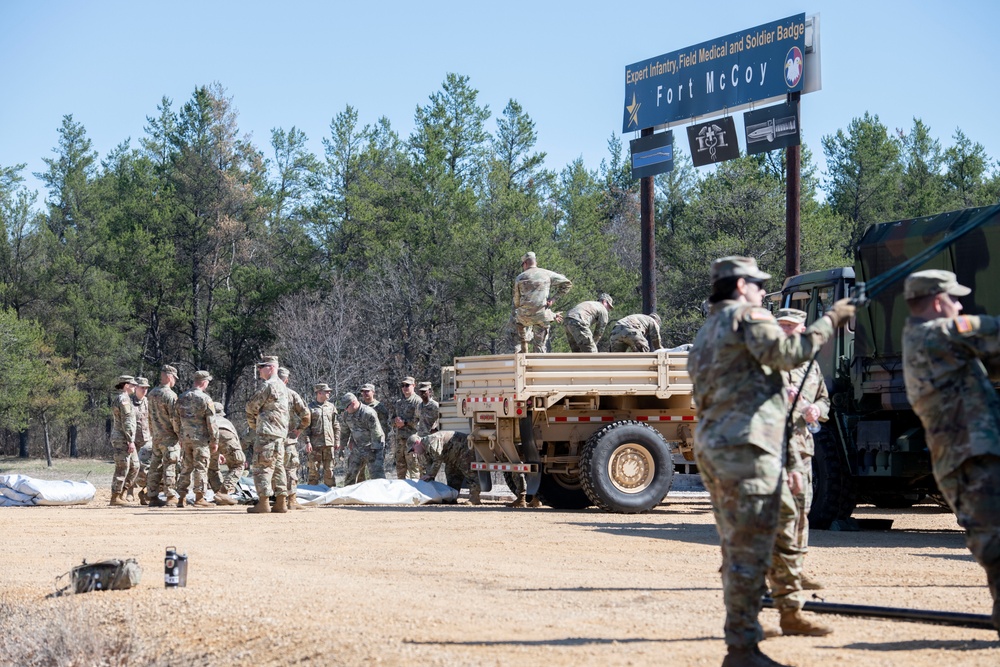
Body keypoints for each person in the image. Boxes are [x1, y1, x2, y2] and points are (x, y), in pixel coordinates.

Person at [687, 256, 854, 667]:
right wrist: (831, 318)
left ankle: (785, 612)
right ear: (740, 285)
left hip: (719, 446)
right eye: (758, 285)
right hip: (746, 449)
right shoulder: (747, 316)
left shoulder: (709, 329)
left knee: (762, 529)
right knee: (749, 548)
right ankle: (742, 648)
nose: (763, 292)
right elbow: (789, 352)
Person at [901, 269, 1000, 637]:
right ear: (939, 301)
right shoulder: (937, 335)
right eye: (955, 299)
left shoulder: (933, 341)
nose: (960, 305)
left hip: (972, 456)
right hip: (972, 459)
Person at [765, 308, 832, 636]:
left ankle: (797, 568)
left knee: (802, 510)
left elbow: (823, 400)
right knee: (778, 515)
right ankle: (774, 575)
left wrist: (817, 409)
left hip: (802, 448)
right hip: (774, 450)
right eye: (784, 327)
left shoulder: (810, 364)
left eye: (793, 327)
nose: (789, 332)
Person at [245, 356, 290, 514]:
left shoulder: (267, 385)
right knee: (278, 468)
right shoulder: (283, 387)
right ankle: (281, 502)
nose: (259, 370)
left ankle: (263, 503)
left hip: (266, 432)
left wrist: (254, 424)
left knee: (261, 467)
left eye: (261, 367)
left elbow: (251, 406)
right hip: (279, 434)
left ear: (271, 367)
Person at [172, 370, 219, 508]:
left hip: (186, 438)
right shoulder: (205, 399)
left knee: (186, 467)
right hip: (200, 439)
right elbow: (211, 422)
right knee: (201, 467)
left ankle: (181, 497)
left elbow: (175, 419)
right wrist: (214, 440)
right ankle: (199, 497)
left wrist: (180, 435)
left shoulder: (182, 397)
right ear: (204, 382)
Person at [513, 251, 572, 353]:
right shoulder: (547, 274)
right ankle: (538, 361)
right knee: (539, 345)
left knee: (520, 333)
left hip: (524, 317)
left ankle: (523, 350)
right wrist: (553, 299)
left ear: (525, 263)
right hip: (541, 316)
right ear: (535, 262)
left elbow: (516, 300)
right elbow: (567, 283)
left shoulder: (520, 277)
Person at [407, 431, 481, 505]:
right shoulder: (424, 450)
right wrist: (427, 478)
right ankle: (452, 498)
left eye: (413, 449)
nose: (414, 452)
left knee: (470, 474)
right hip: (452, 456)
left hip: (463, 449)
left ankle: (474, 498)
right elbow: (429, 465)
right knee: (451, 475)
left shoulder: (431, 441)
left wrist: (430, 475)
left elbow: (438, 459)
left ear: (417, 442)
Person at [146, 365, 181, 508]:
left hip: (156, 436)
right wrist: (180, 435)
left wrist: (152, 432)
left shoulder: (152, 394)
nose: (174, 381)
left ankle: (152, 496)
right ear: (168, 376)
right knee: (170, 466)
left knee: (155, 466)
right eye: (173, 378)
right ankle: (171, 495)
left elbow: (149, 417)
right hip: (169, 437)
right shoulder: (170, 395)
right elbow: (175, 418)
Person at [278, 367, 311, 510]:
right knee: (290, 468)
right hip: (287, 439)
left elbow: (252, 412)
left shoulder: (265, 392)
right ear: (286, 380)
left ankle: (276, 499)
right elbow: (306, 415)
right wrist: (298, 430)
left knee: (271, 468)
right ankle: (291, 500)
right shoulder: (291, 395)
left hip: (269, 439)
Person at [341, 392, 387, 482]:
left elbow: (376, 433)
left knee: (376, 475)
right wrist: (342, 446)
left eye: (346, 407)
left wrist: (374, 450)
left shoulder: (368, 413)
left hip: (373, 447)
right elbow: (344, 432)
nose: (345, 409)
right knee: (351, 473)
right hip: (358, 447)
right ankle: (348, 494)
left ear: (353, 403)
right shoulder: (347, 415)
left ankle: (381, 494)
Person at [208, 401, 246, 506]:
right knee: (238, 465)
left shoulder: (207, 421)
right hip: (226, 435)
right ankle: (224, 492)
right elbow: (235, 439)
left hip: (209, 437)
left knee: (212, 468)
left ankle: (218, 493)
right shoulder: (226, 422)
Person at [109, 375, 138, 507]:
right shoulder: (123, 399)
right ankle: (115, 497)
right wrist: (130, 440)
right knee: (122, 467)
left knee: (135, 466)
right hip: (123, 438)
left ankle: (123, 493)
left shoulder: (126, 399)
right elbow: (127, 421)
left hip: (125, 438)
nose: (135, 387)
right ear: (126, 385)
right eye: (132, 385)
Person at [305, 383, 341, 487]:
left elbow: (336, 425)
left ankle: (330, 494)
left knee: (329, 471)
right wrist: (307, 442)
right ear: (319, 393)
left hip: (329, 444)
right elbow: (305, 427)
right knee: (313, 471)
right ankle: (311, 494)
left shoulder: (331, 407)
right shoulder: (310, 408)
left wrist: (337, 440)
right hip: (315, 445)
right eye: (326, 391)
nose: (329, 393)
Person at [393, 376, 422, 480]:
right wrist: (395, 422)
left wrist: (405, 423)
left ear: (413, 385)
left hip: (412, 440)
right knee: (400, 468)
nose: (405, 388)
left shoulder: (418, 401)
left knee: (414, 467)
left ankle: (416, 492)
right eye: (403, 385)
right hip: (400, 439)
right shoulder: (398, 403)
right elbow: (391, 419)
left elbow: (420, 421)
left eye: (407, 385)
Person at [131, 376, 153, 503]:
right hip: (133, 440)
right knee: (132, 467)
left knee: (146, 467)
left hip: (147, 440)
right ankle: (129, 492)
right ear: (136, 388)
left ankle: (145, 492)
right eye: (142, 387)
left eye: (146, 388)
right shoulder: (128, 402)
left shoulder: (149, 403)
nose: (144, 390)